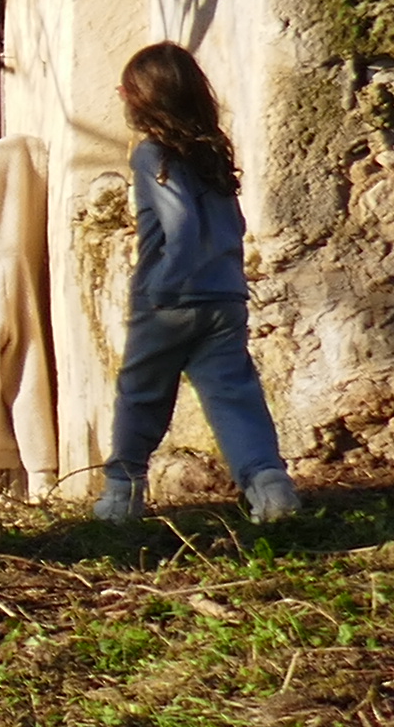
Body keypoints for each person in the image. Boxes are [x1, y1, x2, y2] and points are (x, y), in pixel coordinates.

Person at [108, 43, 303, 525]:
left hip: (170, 300)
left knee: (141, 394)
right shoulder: (211, 153)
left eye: (125, 90)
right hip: (225, 297)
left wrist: (162, 287)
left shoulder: (152, 154)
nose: (120, 96)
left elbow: (181, 225)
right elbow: (230, 225)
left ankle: (121, 496)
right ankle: (270, 488)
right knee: (232, 394)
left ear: (143, 99)